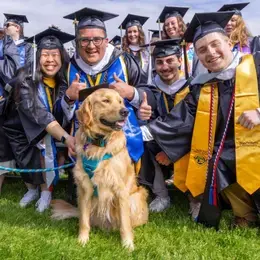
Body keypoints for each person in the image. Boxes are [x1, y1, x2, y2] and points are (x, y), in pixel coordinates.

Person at [140, 11, 260, 228]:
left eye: (215, 45)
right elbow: (182, 117)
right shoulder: (203, 85)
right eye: (202, 50)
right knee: (217, 160)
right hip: (228, 147)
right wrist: (140, 133)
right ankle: (246, 214)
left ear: (228, 41)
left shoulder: (255, 65)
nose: (211, 53)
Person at [3, 27, 76, 212]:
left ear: (62, 56)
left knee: (45, 151)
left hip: (50, 127)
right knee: (25, 158)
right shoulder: (25, 78)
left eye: (54, 55)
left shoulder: (66, 78)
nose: (50, 60)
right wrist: (67, 138)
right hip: (19, 126)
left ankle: (46, 191)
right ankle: (31, 190)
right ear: (37, 57)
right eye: (45, 55)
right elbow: (39, 113)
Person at [63, 7, 146, 165]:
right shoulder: (68, 68)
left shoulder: (125, 61)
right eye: (84, 40)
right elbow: (57, 111)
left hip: (124, 141)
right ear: (77, 42)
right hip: (84, 143)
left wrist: (132, 93)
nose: (91, 45)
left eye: (97, 39)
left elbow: (149, 92)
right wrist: (68, 98)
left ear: (106, 41)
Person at [137, 39, 190, 212]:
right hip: (160, 144)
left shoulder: (194, 88)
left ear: (180, 60)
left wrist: (171, 151)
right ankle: (161, 194)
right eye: (159, 62)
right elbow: (150, 123)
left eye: (170, 60)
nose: (165, 67)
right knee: (142, 143)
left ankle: (195, 197)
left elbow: (194, 126)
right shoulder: (152, 89)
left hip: (189, 143)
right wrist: (142, 115)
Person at [157, 6, 194, 76]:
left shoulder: (192, 45)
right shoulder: (164, 49)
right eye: (167, 25)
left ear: (180, 24)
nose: (170, 27)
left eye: (173, 23)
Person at [120, 14, 149, 83]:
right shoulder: (122, 53)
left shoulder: (147, 52)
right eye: (129, 32)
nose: (132, 35)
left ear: (140, 33)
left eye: (135, 31)